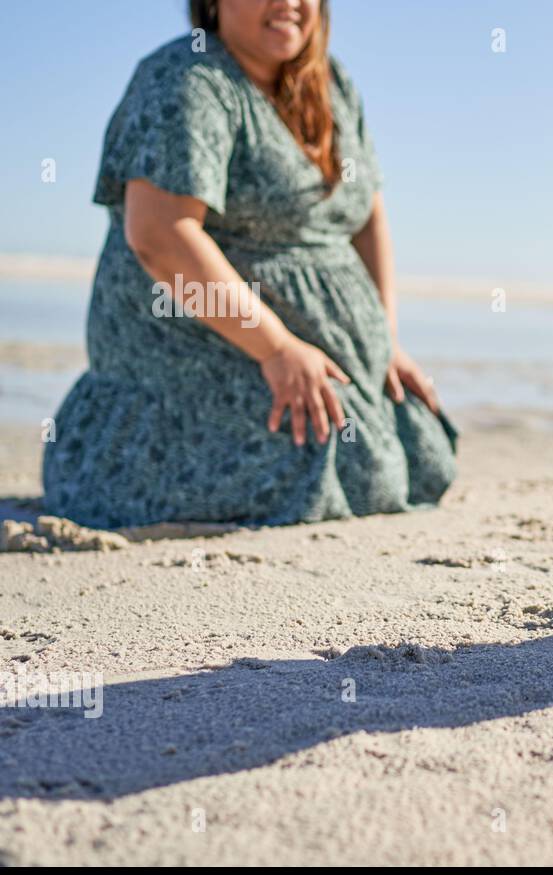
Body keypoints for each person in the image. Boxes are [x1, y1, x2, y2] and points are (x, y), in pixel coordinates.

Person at [43, 0, 457, 529]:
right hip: (196, 348)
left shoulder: (332, 82)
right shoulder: (187, 79)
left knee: (421, 448)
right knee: (346, 466)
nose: (289, 3)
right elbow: (159, 237)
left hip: (319, 352)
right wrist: (276, 347)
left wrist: (385, 341)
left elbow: (366, 217)